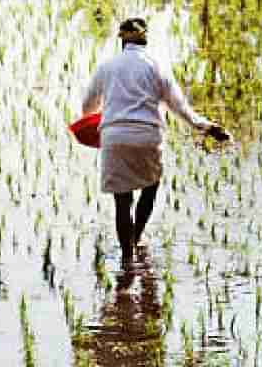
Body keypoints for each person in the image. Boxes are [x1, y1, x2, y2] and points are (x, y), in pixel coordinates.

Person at [81, 17, 229, 260]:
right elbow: (180, 107)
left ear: (121, 40)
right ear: (145, 39)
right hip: (148, 135)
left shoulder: (107, 67)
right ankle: (137, 237)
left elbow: (88, 106)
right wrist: (206, 126)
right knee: (150, 188)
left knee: (122, 202)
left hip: (114, 136)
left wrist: (103, 118)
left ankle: (127, 258)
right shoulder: (157, 66)